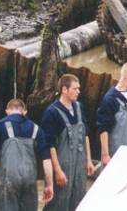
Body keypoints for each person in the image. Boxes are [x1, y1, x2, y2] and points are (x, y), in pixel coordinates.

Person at [0, 98, 54, 209]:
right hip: (30, 179)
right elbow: (46, 160)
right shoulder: (37, 129)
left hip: (7, 179)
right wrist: (49, 185)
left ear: (7, 111)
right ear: (24, 112)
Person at [41, 74, 94, 211]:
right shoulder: (52, 113)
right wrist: (58, 171)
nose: (78, 91)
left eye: (79, 89)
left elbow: (85, 135)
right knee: (58, 203)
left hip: (79, 166)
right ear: (64, 89)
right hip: (62, 167)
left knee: (78, 200)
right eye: (75, 89)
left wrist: (88, 160)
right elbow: (49, 146)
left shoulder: (79, 107)